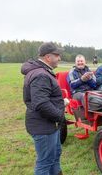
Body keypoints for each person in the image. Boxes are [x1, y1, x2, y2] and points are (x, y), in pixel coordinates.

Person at [21, 42, 64, 175]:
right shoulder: (41, 75)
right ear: (47, 57)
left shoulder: (42, 72)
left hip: (49, 124)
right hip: (43, 127)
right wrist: (59, 116)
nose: (59, 58)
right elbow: (41, 103)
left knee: (54, 157)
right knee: (45, 162)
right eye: (57, 55)